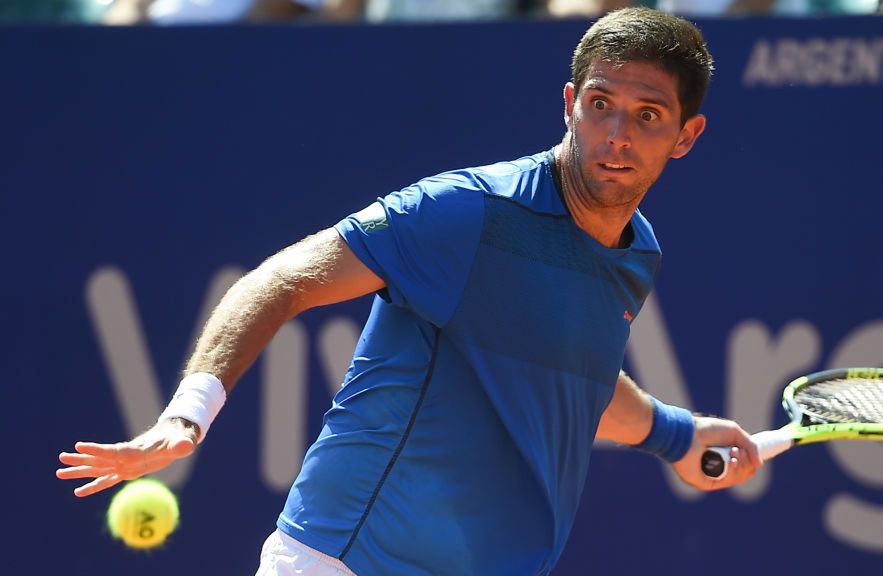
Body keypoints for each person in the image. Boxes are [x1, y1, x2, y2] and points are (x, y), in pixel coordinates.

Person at [57, 7, 763, 575]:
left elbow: (569, 373)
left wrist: (676, 434)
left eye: (647, 115)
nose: (616, 134)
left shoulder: (637, 253)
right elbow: (281, 281)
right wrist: (189, 415)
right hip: (344, 561)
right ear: (571, 105)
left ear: (685, 136)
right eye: (602, 103)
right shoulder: (465, 211)